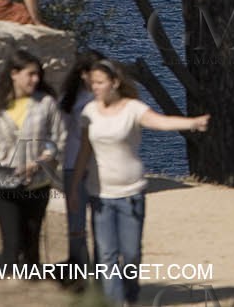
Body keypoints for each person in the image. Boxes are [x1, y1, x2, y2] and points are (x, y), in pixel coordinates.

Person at [71, 58, 210, 306]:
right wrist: (74, 188)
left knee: (131, 254)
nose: (95, 87)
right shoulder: (89, 112)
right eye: (93, 83)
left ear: (115, 82)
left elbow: (160, 122)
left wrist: (192, 122)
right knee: (106, 255)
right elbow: (84, 151)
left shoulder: (133, 109)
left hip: (130, 194)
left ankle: (131, 296)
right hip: (100, 194)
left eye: (100, 82)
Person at [0, 49, 65, 268]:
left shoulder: (46, 104)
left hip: (37, 184)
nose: (35, 79)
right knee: (11, 245)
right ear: (14, 74)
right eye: (30, 74)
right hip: (4, 182)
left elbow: (60, 139)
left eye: (38, 74)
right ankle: (10, 286)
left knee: (31, 246)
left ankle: (32, 287)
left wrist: (40, 161)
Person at [58, 46, 103, 274]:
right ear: (83, 73)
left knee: (102, 223)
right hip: (73, 165)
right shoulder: (69, 100)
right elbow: (59, 132)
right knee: (76, 224)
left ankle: (102, 271)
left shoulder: (108, 99)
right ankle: (78, 270)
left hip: (101, 168)